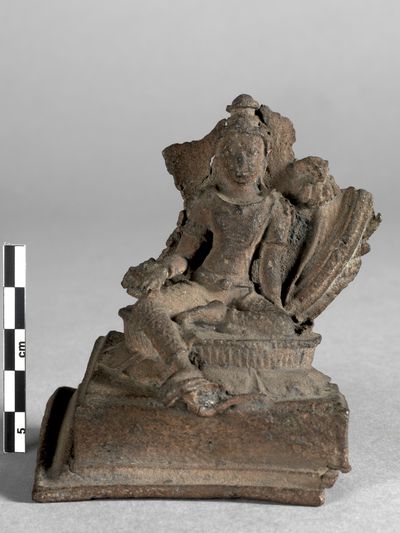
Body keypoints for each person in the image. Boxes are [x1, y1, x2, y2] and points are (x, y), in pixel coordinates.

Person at [121, 129, 292, 415]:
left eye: (251, 153)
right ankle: (185, 371)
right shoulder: (209, 202)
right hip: (202, 287)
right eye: (233, 153)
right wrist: (164, 270)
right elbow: (185, 254)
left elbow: (271, 266)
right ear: (219, 158)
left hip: (241, 294)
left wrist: (275, 305)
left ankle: (213, 317)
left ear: (265, 157)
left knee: (283, 326)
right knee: (148, 306)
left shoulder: (273, 207)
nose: (242, 162)